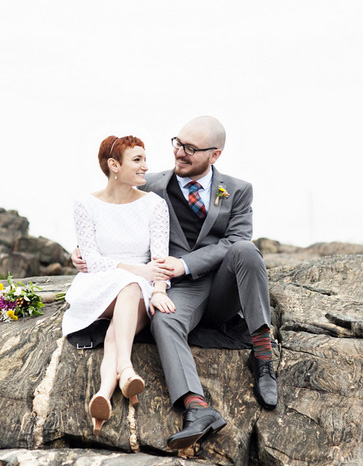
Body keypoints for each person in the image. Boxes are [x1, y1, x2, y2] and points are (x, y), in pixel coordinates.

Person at [72, 116, 277, 450]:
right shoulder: (150, 185)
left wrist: (184, 264)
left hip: (225, 286)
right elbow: (109, 208)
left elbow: (235, 240)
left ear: (215, 155)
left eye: (191, 149)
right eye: (178, 144)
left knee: (246, 250)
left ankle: (263, 358)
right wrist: (80, 254)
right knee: (162, 319)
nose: (180, 153)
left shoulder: (238, 190)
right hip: (181, 292)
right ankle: (197, 408)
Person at [63, 134, 176, 436]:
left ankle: (103, 392)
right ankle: (125, 368)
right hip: (98, 285)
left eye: (144, 159)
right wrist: (139, 270)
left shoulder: (155, 205)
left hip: (140, 289)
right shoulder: (85, 204)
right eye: (137, 160)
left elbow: (160, 259)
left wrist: (161, 289)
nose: (145, 167)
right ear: (114, 165)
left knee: (123, 312)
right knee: (129, 284)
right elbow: (93, 260)